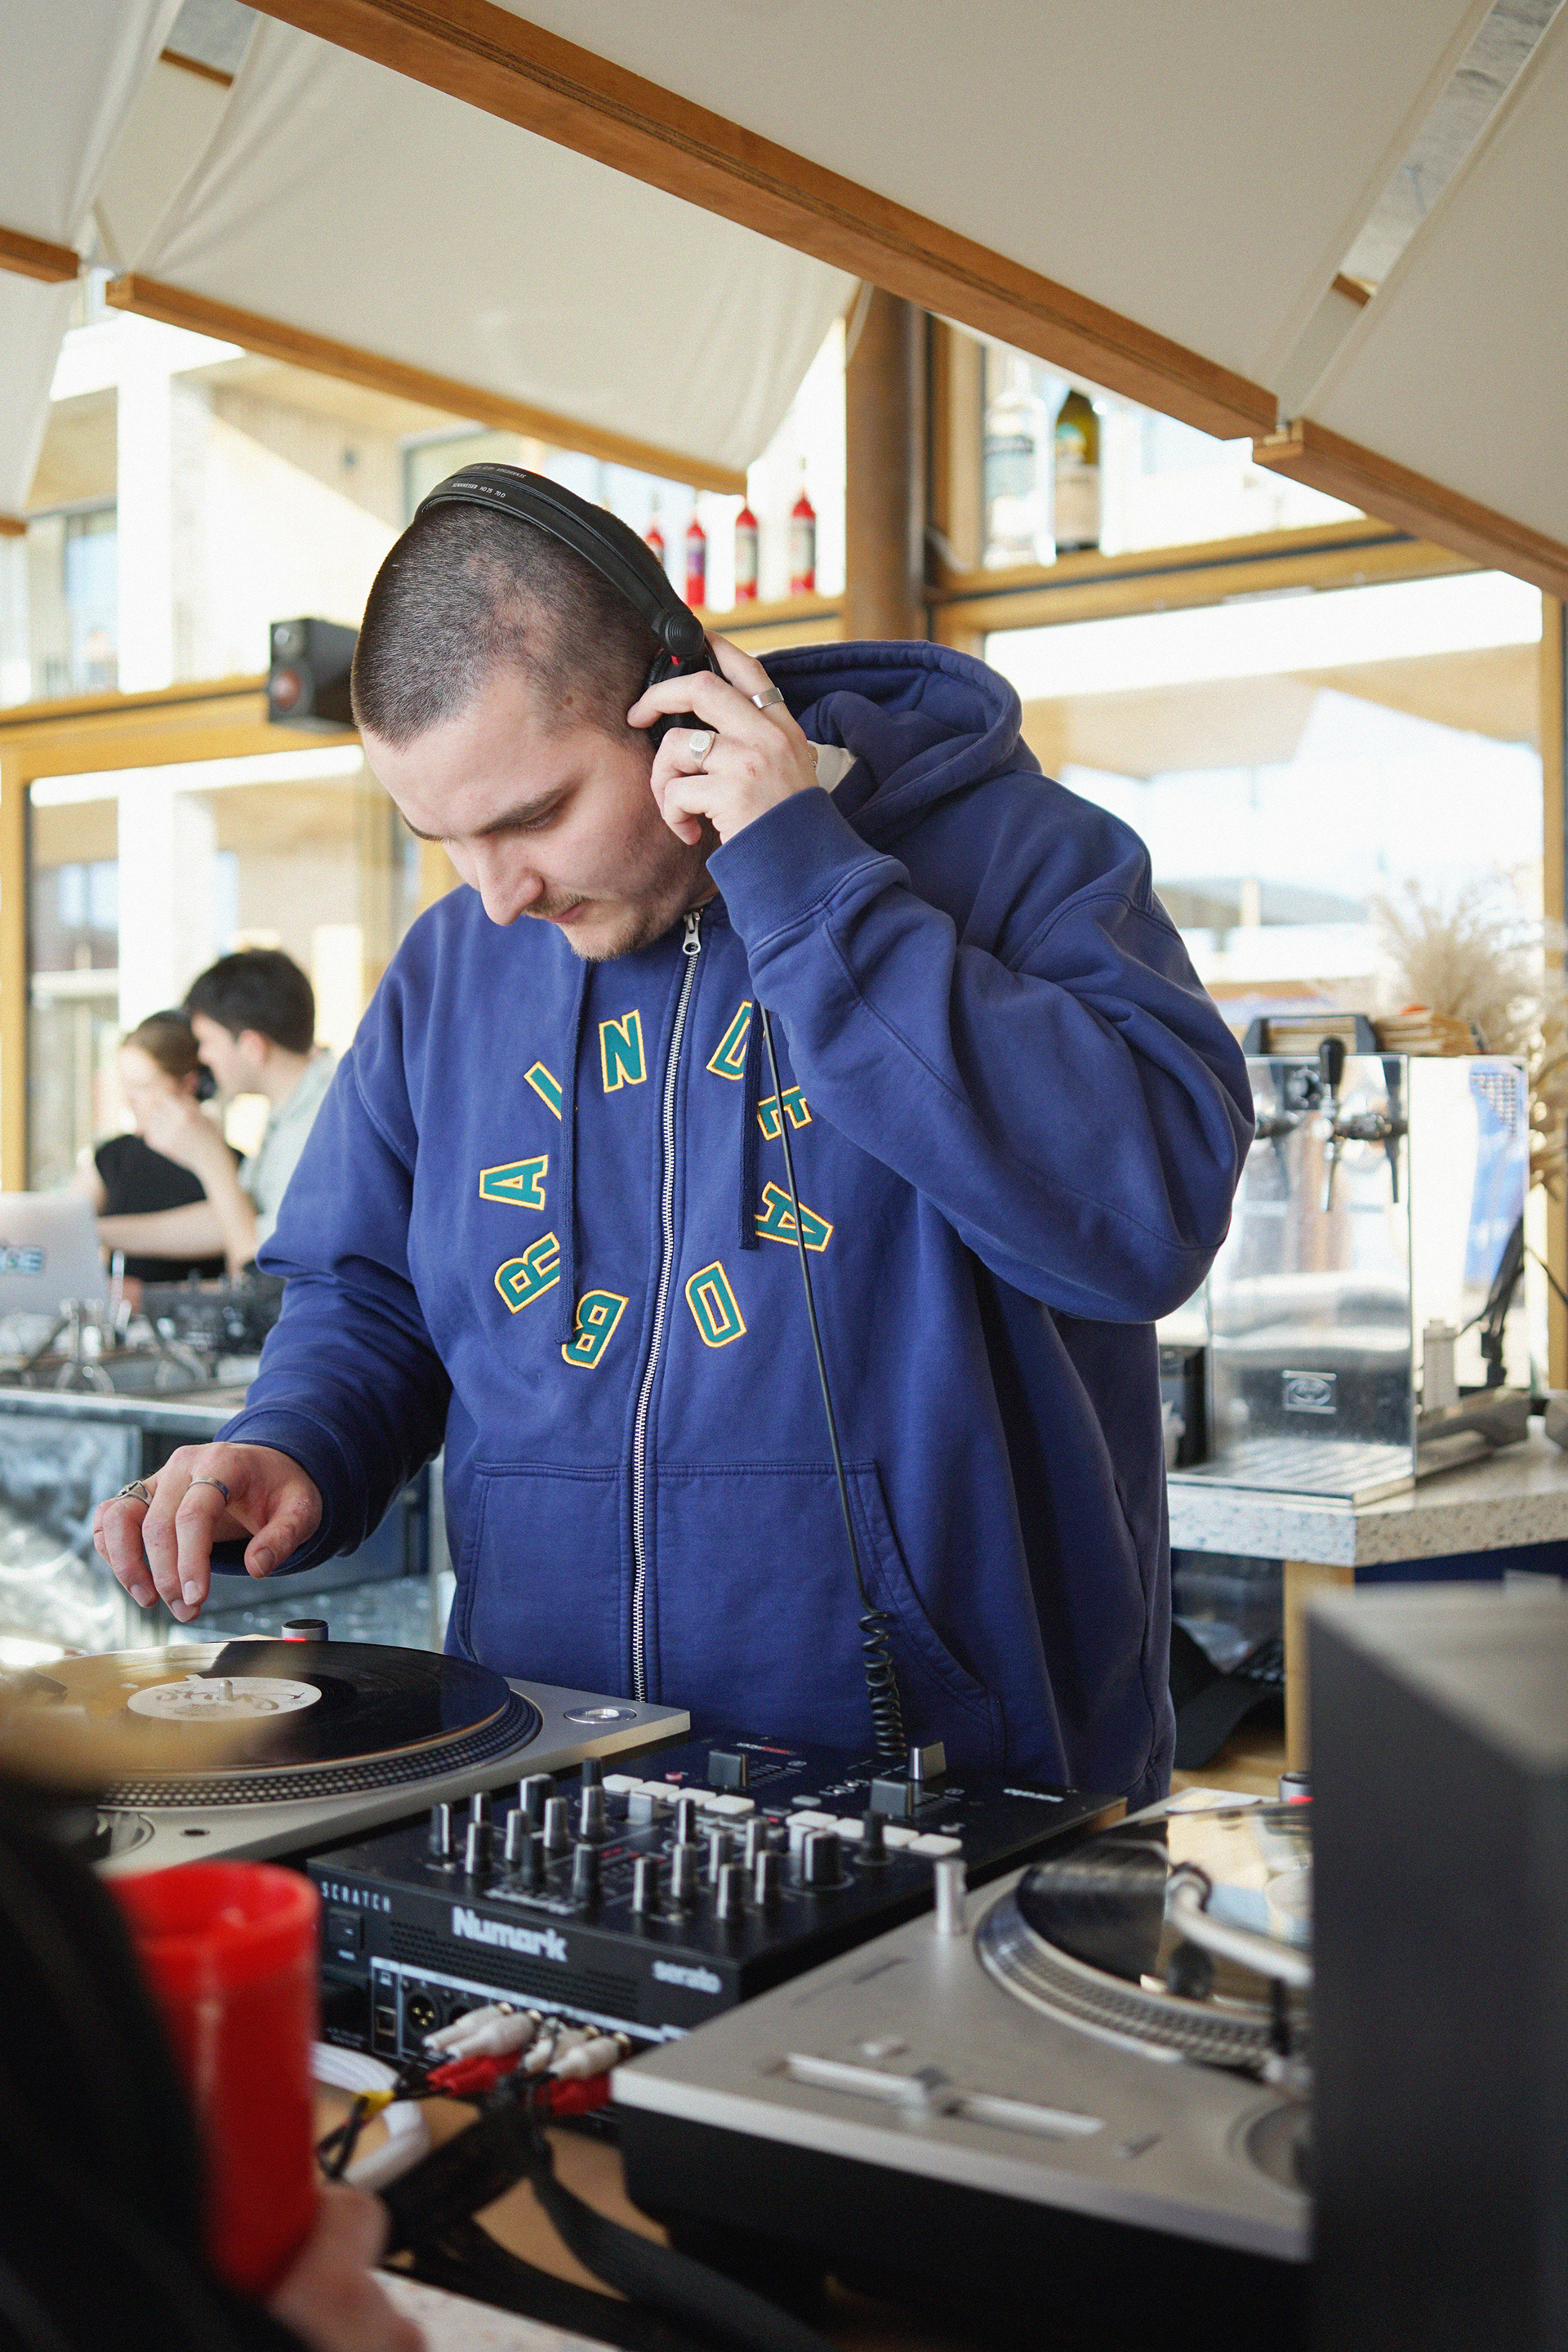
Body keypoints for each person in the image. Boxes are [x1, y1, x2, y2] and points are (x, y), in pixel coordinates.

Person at [95, 479, 1251, 1807]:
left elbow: (1147, 1220)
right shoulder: (451, 965)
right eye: (445, 840)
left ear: (678, 706)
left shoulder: (1020, 861)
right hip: (541, 1790)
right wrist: (295, 1443)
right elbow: (369, 1296)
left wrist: (809, 887)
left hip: (968, 1811)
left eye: (532, 816)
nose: (499, 893)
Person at [91, 950, 333, 1278]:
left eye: (207, 1042)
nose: (203, 1057)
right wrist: (95, 1232)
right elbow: (235, 1220)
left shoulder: (318, 1129)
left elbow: (257, 1275)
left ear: (253, 1046)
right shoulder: (294, 1110)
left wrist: (213, 1162)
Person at [73, 1010, 234, 1284]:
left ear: (188, 1084)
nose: (130, 1101)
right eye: (126, 1087)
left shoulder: (230, 1164)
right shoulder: (112, 1157)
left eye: (143, 1087)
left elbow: (231, 1234)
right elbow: (67, 1223)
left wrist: (97, 1231)